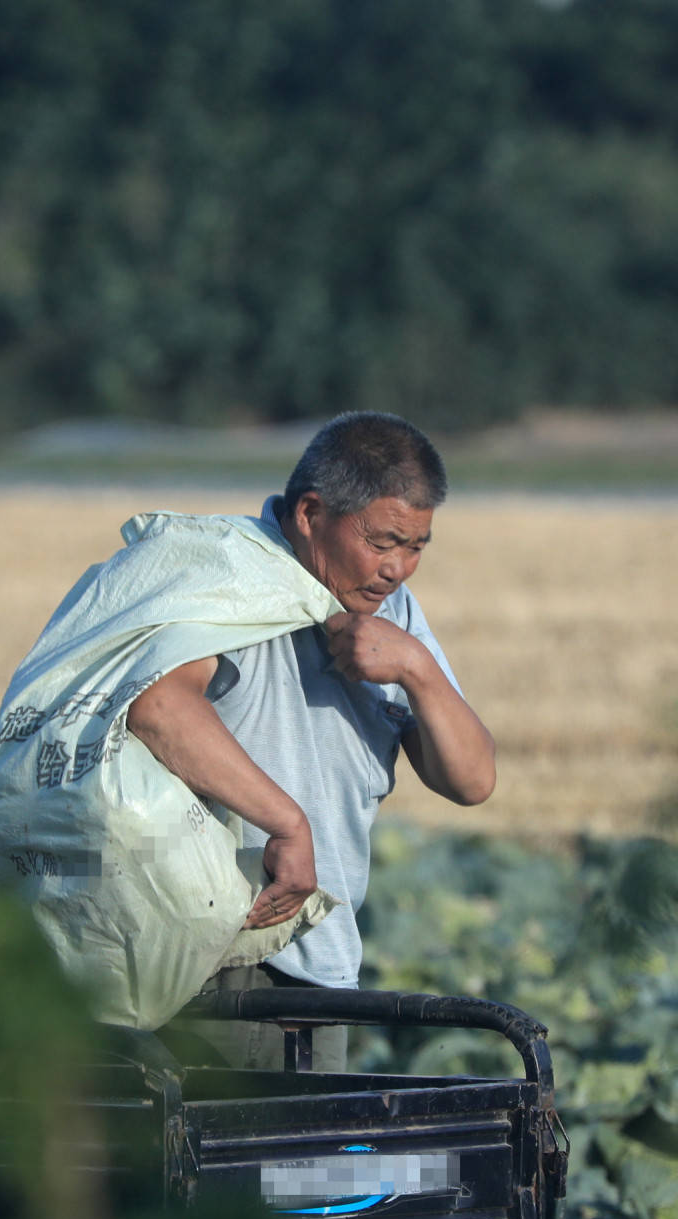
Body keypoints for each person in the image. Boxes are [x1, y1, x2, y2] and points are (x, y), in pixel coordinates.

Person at [125, 411, 495, 1071]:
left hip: (324, 971)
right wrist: (287, 823)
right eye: (382, 541)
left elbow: (472, 781)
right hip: (221, 971)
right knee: (226, 1171)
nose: (398, 569)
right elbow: (157, 706)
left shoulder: (392, 611)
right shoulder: (230, 581)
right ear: (310, 514)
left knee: (301, 1172)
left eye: (415, 547)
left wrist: (418, 669)